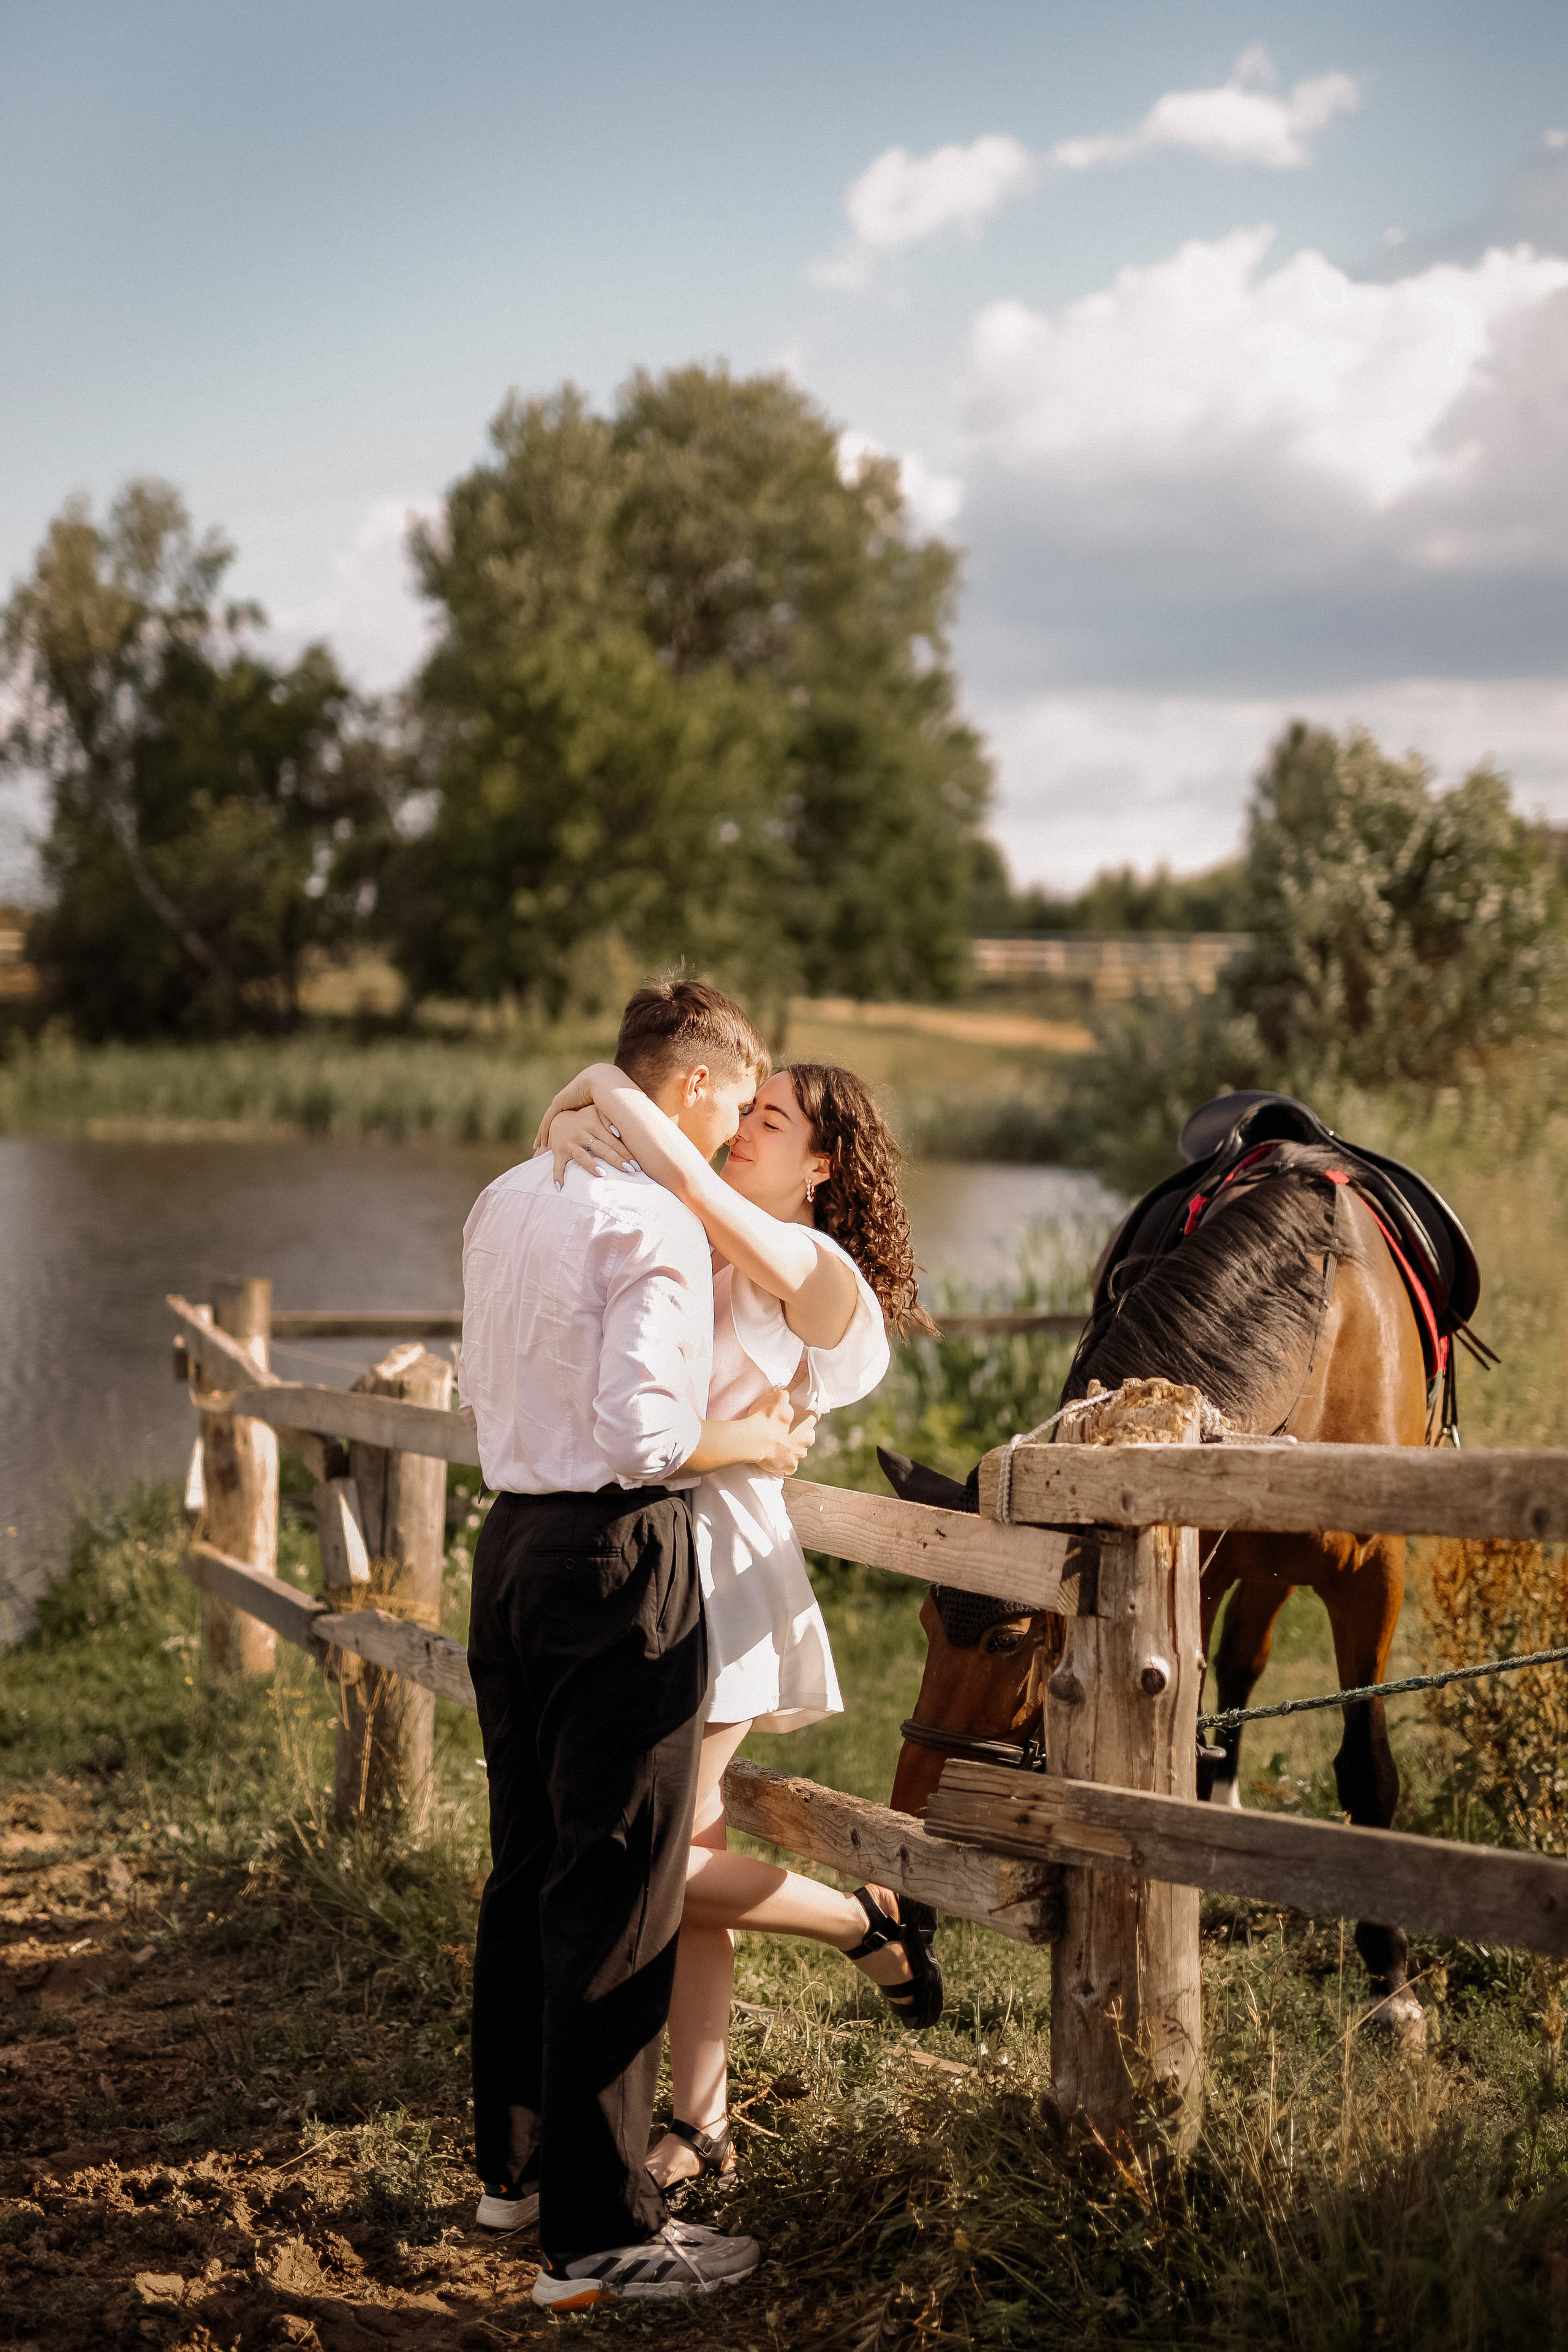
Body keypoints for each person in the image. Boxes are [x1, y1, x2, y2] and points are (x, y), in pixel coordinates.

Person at [535, 1052, 944, 2201]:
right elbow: (574, 1135)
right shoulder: (687, 1226)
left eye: (775, 1121)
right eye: (746, 1111)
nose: (746, 1130)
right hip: (650, 1563)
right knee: (689, 1852)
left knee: (650, 1864)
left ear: (823, 1166)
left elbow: (699, 1192)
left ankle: (857, 1922)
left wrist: (624, 1114)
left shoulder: (816, 1269)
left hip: (721, 1578)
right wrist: (582, 1103)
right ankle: (704, 2120)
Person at [462, 978, 811, 2311]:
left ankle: (517, 2173)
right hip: (619, 1561)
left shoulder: (507, 1194)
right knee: (614, 1895)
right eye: (731, 1099)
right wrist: (763, 1442)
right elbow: (645, 1442)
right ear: (685, 1088)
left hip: (507, 1554)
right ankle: (599, 2242)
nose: (730, 1130)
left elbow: (479, 1380)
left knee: (527, 1871)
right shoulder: (655, 1223)